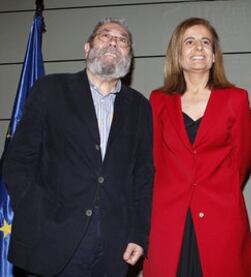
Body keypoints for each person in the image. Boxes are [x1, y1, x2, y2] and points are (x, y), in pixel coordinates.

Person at [3, 18, 153, 276]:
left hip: (112, 246)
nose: (114, 42)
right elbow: (18, 160)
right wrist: (35, 210)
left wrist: (138, 234)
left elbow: (142, 176)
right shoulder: (49, 90)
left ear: (130, 56)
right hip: (50, 239)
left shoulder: (140, 107)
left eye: (123, 40)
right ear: (86, 48)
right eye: (105, 36)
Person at [143, 17, 251, 277]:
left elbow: (241, 163)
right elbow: (155, 161)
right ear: (177, 53)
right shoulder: (158, 100)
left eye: (206, 42)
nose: (198, 48)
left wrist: (214, 190)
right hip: (169, 218)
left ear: (214, 55)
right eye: (190, 42)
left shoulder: (236, 99)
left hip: (221, 216)